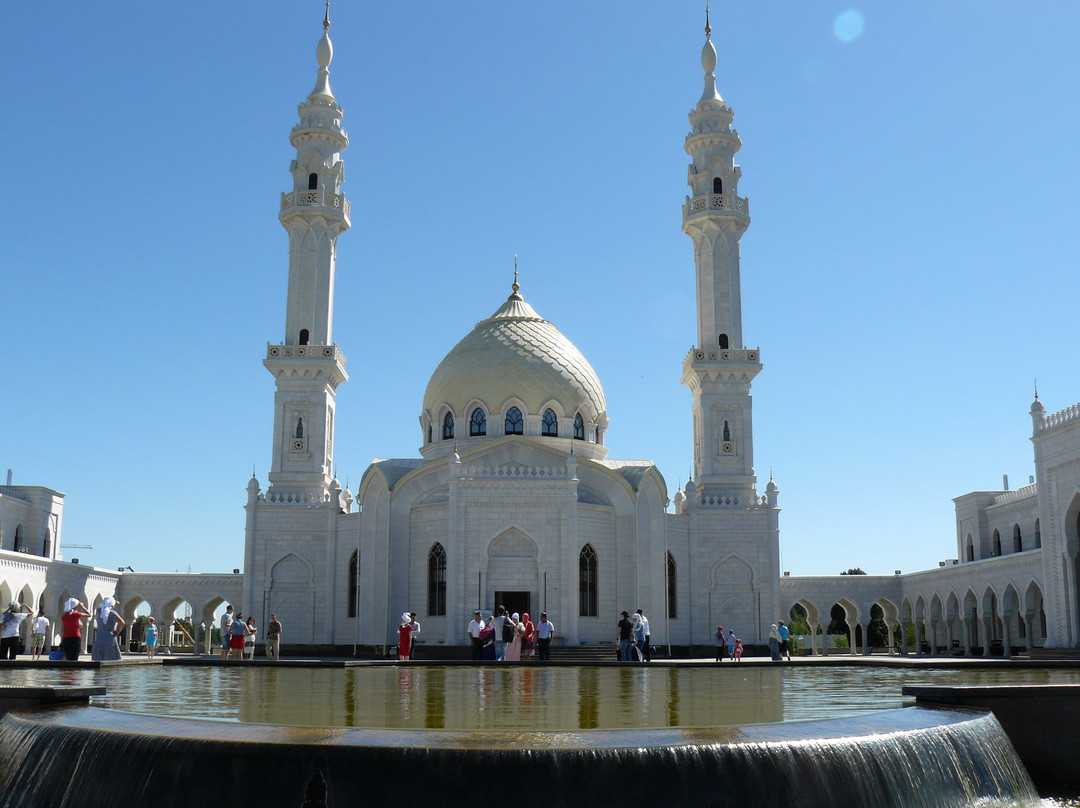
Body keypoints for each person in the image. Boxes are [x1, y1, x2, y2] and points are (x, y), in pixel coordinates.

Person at [90, 597, 125, 661]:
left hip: (99, 638)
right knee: (112, 660)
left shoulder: (98, 611)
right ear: (112, 605)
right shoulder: (113, 613)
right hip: (110, 638)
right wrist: (118, 631)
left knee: (98, 659)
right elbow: (122, 623)